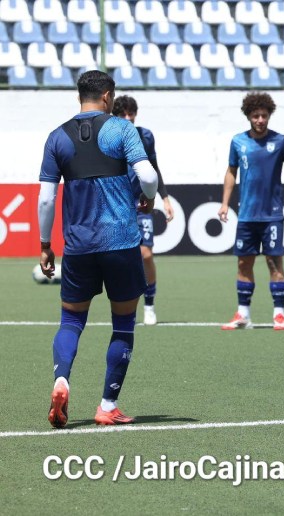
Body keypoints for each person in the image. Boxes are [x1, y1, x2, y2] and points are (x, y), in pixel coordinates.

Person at [38, 70, 158, 428]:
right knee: (123, 324)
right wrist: (149, 197)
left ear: (80, 96)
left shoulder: (57, 137)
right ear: (107, 96)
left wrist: (45, 245)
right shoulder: (122, 129)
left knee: (71, 320)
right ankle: (107, 405)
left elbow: (46, 199)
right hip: (121, 242)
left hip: (79, 246)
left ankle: (62, 379)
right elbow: (148, 176)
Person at [219, 92, 284, 331]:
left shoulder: (281, 141)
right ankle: (243, 314)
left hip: (272, 215)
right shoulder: (238, 142)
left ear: (269, 115)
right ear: (248, 116)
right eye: (256, 116)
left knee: (274, 263)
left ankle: (279, 314)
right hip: (246, 215)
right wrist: (224, 203)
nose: (260, 120)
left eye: (264, 115)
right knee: (244, 264)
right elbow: (231, 172)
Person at [112, 95, 174, 326]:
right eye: (123, 114)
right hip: (117, 206)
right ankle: (125, 307)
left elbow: (153, 168)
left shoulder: (145, 136)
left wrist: (165, 198)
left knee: (146, 254)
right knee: (119, 259)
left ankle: (149, 305)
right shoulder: (109, 137)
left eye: (131, 113)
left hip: (141, 205)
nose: (128, 118)